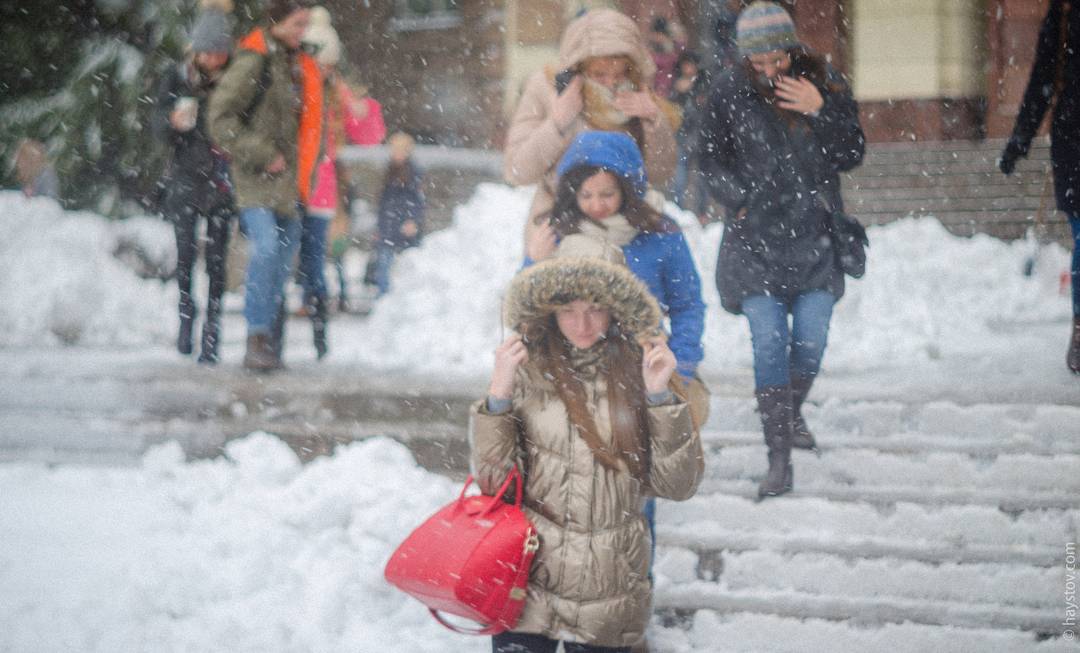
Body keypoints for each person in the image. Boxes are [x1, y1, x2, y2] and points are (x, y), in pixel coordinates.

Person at [471, 255, 704, 652]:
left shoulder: (640, 372)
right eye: (568, 310)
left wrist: (660, 395)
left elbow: (678, 485)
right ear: (549, 312)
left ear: (615, 311)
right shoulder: (526, 373)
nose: (583, 324)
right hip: (527, 579)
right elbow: (496, 484)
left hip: (608, 587)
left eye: (595, 309)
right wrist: (498, 396)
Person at [699, 1, 865, 497]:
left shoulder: (825, 82)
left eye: (778, 59)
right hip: (755, 243)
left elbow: (851, 153)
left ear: (791, 48)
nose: (770, 70)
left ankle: (787, 413)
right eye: (759, 62)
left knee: (810, 340)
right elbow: (708, 159)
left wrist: (821, 109)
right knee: (769, 340)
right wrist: (739, 200)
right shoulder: (727, 90)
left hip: (815, 235)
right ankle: (779, 459)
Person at [503, 7, 680, 255]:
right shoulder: (546, 88)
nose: (610, 83)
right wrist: (557, 122)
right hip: (558, 232)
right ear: (577, 68)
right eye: (599, 74)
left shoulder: (639, 95)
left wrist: (653, 120)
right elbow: (518, 171)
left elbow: (661, 172)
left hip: (624, 235)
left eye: (619, 74)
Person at [208, 0, 323, 372]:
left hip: (290, 182)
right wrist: (260, 152)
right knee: (267, 250)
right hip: (256, 178)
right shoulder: (253, 60)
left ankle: (269, 342)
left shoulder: (295, 62)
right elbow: (220, 118)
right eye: (297, 23)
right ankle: (256, 335)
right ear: (276, 22)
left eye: (306, 24)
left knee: (281, 264)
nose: (301, 31)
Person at [298, 6, 386, 358]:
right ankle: (279, 328)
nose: (325, 70)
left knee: (320, 258)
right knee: (295, 258)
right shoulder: (294, 87)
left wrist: (363, 109)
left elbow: (368, 135)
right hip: (292, 186)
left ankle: (319, 329)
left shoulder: (337, 91)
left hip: (324, 189)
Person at [151, 0, 236, 364]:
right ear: (197, 51)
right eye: (209, 52)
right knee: (185, 255)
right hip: (185, 178)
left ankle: (212, 330)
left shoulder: (234, 80)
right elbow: (156, 124)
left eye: (221, 53)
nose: (215, 60)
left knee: (217, 262)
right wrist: (172, 122)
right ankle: (187, 317)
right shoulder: (176, 77)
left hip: (221, 182)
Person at [998, 0, 1080, 374]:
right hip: (1074, 140)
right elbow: (1043, 79)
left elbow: (1043, 80)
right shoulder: (1063, 10)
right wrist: (1020, 140)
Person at [371, 132, 424, 297]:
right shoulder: (389, 170)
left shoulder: (413, 172)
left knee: (406, 267)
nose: (395, 153)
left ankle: (403, 300)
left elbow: (417, 199)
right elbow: (383, 202)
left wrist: (413, 220)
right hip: (388, 224)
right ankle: (383, 300)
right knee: (384, 266)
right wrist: (379, 227)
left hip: (403, 224)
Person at [668, 50, 710, 218]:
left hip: (701, 136)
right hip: (683, 135)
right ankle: (678, 210)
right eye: (685, 65)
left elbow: (705, 106)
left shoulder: (704, 82)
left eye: (690, 64)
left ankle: (702, 212)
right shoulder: (677, 84)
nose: (688, 68)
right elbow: (672, 109)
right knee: (680, 177)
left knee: (701, 179)